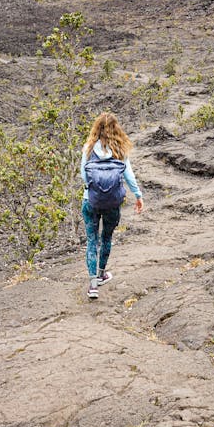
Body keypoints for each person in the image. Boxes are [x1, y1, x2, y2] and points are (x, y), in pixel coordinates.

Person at [80, 112, 143, 299]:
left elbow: (84, 176)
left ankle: (93, 286)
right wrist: (138, 196)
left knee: (92, 240)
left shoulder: (89, 148)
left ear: (96, 128)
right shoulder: (120, 150)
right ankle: (101, 274)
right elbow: (129, 177)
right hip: (112, 203)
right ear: (116, 129)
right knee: (106, 238)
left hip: (90, 200)